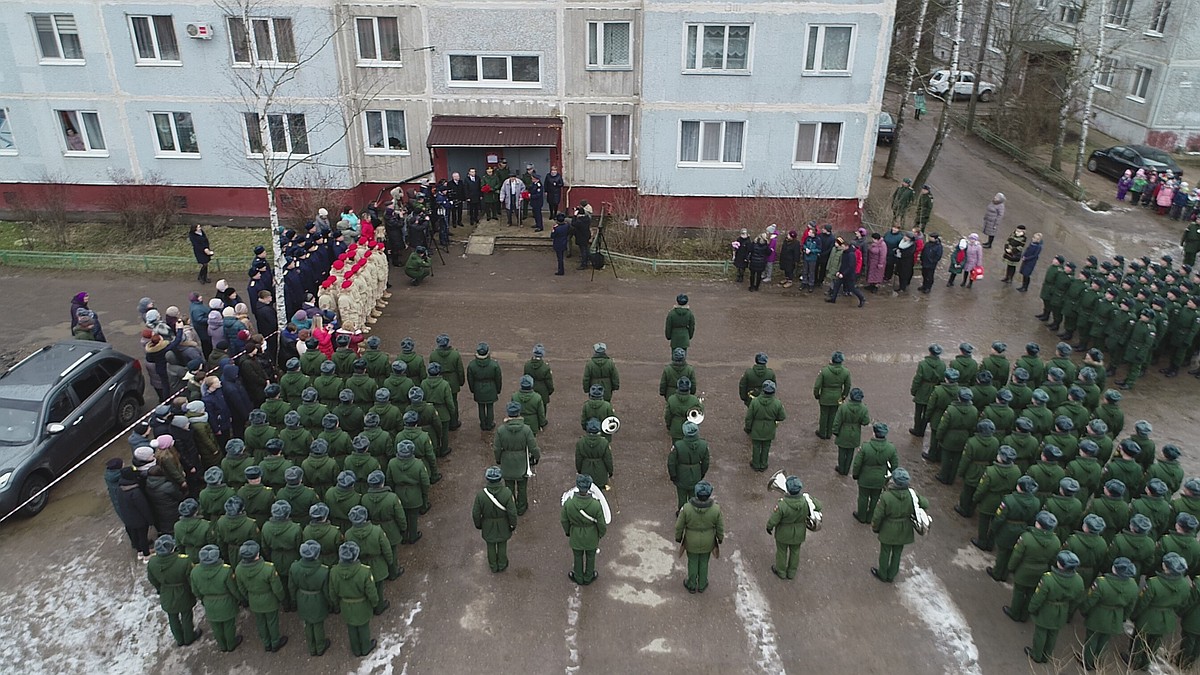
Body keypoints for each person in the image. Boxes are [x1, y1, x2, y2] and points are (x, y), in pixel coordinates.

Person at [1129, 552, 1192, 670]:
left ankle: (1134, 661)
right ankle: (1146, 662)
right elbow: (1183, 603)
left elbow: (1143, 603)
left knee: (1139, 640)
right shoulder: (1184, 585)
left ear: (1165, 567)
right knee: (1155, 642)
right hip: (1167, 617)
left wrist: (1134, 615)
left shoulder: (1154, 582)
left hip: (1149, 616)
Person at [1024, 550, 1086, 663]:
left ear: (1060, 565)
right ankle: (1046, 656)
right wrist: (1069, 611)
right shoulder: (1078, 580)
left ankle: (1036, 655)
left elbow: (1039, 597)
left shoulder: (1048, 578)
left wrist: (1032, 608)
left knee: (1041, 632)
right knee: (1053, 634)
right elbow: (1077, 599)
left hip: (1047, 609)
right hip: (1063, 609)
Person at [870, 468, 927, 582]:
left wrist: (875, 527)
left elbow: (878, 515)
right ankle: (892, 575)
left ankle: (882, 573)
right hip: (904, 528)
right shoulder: (912, 494)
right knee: (897, 552)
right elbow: (925, 503)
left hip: (888, 527)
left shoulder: (886, 496)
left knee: (885, 551)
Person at [329, 541, 380, 657]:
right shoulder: (364, 571)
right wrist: (375, 602)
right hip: (361, 604)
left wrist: (337, 604)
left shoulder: (334, 571)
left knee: (351, 627)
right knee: (363, 627)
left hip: (345, 604)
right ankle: (366, 647)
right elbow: (371, 591)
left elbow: (332, 592)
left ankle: (356, 649)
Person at [190, 544, 245, 652]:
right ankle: (231, 644)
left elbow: (195, 590)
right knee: (229, 624)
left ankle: (222, 645)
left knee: (216, 626)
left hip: (209, 601)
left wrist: (203, 599)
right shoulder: (225, 570)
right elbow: (233, 589)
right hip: (226, 601)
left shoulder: (195, 572)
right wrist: (240, 598)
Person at [147, 535, 199, 647]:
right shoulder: (183, 561)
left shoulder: (152, 562)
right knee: (186, 615)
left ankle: (179, 639)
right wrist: (194, 591)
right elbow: (191, 579)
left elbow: (152, 579)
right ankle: (189, 637)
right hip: (183, 591)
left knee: (172, 616)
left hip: (166, 591)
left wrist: (160, 589)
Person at [767, 475, 820, 580]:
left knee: (782, 552)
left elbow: (774, 519)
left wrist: (769, 527)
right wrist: (810, 499)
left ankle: (781, 572)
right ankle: (791, 573)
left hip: (783, 533)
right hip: (799, 533)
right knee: (795, 552)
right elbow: (819, 506)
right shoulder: (806, 501)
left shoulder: (782, 505)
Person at [675, 481, 724, 593]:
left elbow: (679, 526)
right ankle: (702, 584)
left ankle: (691, 584)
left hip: (691, 540)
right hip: (708, 541)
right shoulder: (716, 509)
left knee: (692, 561)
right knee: (704, 562)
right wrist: (720, 538)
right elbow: (720, 527)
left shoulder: (686, 508)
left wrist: (678, 537)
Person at [494, 402, 540, 515]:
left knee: (509, 487)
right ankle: (522, 507)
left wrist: (498, 459)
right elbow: (533, 446)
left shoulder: (501, 430)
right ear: (518, 413)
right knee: (522, 487)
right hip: (522, 462)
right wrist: (537, 457)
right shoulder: (526, 429)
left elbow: (497, 448)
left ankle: (511, 507)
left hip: (507, 461)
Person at [561, 474, 607, 585]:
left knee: (577, 556)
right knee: (591, 557)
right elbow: (601, 523)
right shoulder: (596, 504)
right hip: (591, 534)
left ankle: (578, 576)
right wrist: (600, 534)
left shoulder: (569, 503)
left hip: (576, 533)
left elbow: (564, 520)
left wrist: (568, 532)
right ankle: (588, 577)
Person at [289, 540, 333, 656]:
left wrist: (294, 599)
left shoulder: (294, 567)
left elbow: (291, 586)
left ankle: (311, 647)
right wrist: (331, 603)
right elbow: (327, 591)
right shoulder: (323, 571)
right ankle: (320, 646)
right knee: (318, 624)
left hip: (302, 598)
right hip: (317, 599)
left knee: (308, 624)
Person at [472, 466, 518, 573]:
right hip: (503, 523)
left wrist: (478, 524)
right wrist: (512, 524)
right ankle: (502, 564)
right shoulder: (507, 493)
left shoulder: (481, 495)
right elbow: (512, 512)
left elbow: (475, 513)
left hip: (487, 524)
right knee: (502, 544)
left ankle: (493, 565)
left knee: (490, 545)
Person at [851, 423, 898, 523]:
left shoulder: (865, 447)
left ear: (874, 433)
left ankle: (861, 516)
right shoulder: (891, 448)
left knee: (863, 497)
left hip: (865, 476)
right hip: (881, 477)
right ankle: (870, 517)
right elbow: (895, 465)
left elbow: (857, 463)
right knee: (875, 498)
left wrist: (855, 474)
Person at [668, 421, 709, 511]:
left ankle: (682, 513)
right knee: (694, 496)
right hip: (696, 473)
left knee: (682, 497)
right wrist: (702, 473)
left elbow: (671, 462)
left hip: (681, 474)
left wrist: (673, 475)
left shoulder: (678, 445)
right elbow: (706, 462)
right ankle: (693, 514)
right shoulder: (703, 445)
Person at [812, 351, 852, 439]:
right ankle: (829, 433)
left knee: (824, 415)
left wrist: (816, 394)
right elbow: (848, 385)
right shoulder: (846, 372)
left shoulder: (824, 371)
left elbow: (817, 385)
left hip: (825, 396)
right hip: (837, 396)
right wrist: (844, 395)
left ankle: (822, 432)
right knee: (833, 415)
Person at [832, 388, 870, 476]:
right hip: (855, 432)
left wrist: (835, 430)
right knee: (850, 452)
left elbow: (837, 421)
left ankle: (841, 468)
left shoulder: (843, 407)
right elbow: (866, 422)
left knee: (841, 452)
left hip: (843, 431)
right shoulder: (863, 408)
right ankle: (847, 469)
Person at [466, 342, 503, 431]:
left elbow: (470, 379)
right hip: (491, 387)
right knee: (490, 407)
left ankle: (483, 424)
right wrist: (498, 389)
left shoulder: (472, 365)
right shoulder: (494, 364)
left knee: (480, 407)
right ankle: (490, 424)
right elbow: (498, 378)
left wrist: (472, 389)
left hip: (478, 387)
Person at [825, 239, 866, 306]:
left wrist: (843, 274)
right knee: (836, 285)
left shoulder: (851, 254)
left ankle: (861, 298)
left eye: (843, 246)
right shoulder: (845, 253)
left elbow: (851, 266)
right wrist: (839, 271)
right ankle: (833, 299)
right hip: (843, 273)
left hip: (849, 275)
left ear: (846, 246)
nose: (841, 247)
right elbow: (842, 264)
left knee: (852, 288)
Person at [576, 419, 614, 490]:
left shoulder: (581, 442)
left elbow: (578, 459)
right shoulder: (604, 442)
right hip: (600, 472)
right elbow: (608, 459)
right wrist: (610, 471)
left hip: (586, 469)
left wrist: (579, 470)